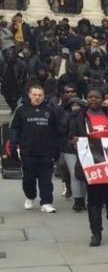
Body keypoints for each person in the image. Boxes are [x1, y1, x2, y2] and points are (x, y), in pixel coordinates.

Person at [70, 88, 108, 246]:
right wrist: (73, 142)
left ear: (103, 99)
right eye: (90, 97)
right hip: (91, 163)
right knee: (94, 200)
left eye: (97, 97)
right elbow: (70, 135)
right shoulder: (79, 117)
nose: (93, 99)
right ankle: (96, 233)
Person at [10, 84, 58, 213]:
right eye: (35, 95)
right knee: (28, 178)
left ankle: (46, 202)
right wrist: (14, 145)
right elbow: (14, 129)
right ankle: (30, 196)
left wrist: (56, 149)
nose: (37, 97)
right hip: (28, 151)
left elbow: (55, 131)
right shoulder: (21, 110)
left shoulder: (49, 110)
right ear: (30, 95)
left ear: (43, 96)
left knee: (46, 178)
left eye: (40, 95)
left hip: (46, 151)